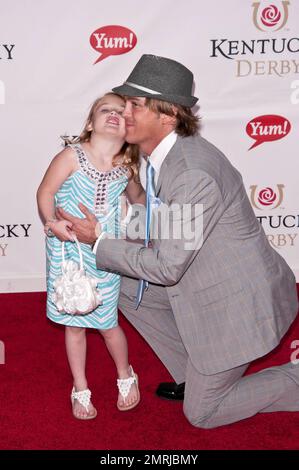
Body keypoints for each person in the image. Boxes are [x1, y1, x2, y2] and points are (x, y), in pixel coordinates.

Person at [56, 55, 299, 429]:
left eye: (135, 105)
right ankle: (196, 373)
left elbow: (167, 266)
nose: (124, 112)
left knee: (202, 413)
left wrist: (99, 240)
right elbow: (160, 224)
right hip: (204, 279)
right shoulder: (165, 157)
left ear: (167, 115)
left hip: (241, 308)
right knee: (118, 284)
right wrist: (99, 228)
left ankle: (290, 379)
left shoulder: (190, 172)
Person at [37, 92, 145, 420]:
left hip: (103, 251)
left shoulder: (127, 166)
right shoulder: (71, 156)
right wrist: (52, 222)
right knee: (74, 325)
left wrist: (134, 224)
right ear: (90, 121)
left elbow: (139, 200)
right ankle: (80, 387)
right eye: (104, 110)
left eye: (119, 112)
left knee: (108, 323)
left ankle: (125, 374)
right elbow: (46, 192)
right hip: (67, 252)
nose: (112, 115)